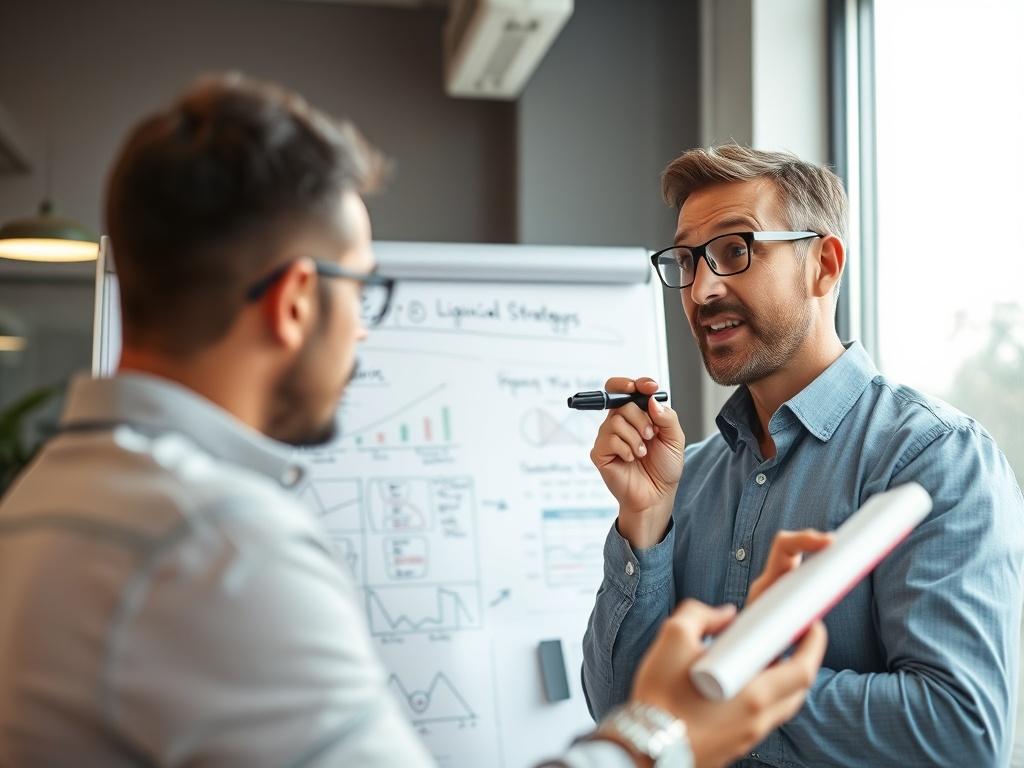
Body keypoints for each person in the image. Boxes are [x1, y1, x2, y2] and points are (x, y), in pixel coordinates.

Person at [0, 75, 827, 768]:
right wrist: (661, 737)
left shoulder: (42, 499)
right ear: (296, 301)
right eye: (361, 291)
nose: (363, 330)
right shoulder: (217, 545)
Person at [581, 144, 1024, 766]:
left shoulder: (934, 459)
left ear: (824, 265)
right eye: (686, 260)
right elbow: (621, 712)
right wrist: (644, 521)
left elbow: (958, 733)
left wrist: (723, 691)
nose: (701, 289)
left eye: (734, 250)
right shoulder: (690, 477)